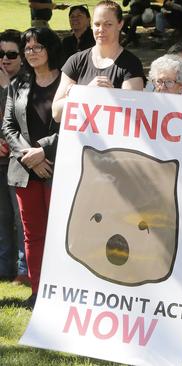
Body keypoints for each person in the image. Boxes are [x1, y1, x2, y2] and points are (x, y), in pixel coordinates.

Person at [1, 27, 62, 309]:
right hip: (25, 171)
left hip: (57, 168)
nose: (32, 52)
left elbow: (73, 126)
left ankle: (61, 291)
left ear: (50, 48)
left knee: (59, 234)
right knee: (32, 234)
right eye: (28, 48)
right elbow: (8, 126)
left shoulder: (66, 83)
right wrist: (29, 155)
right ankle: (38, 291)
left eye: (38, 47)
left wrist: (43, 151)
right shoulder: (18, 84)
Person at [52, 0, 145, 123]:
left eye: (108, 24)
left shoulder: (131, 64)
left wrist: (110, 95)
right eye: (97, 24)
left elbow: (132, 115)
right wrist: (86, 92)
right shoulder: (75, 61)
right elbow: (57, 114)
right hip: (79, 139)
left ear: (120, 24)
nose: (101, 29)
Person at [0, 30, 27, 285]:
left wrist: (7, 87)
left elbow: (23, 123)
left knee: (21, 219)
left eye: (11, 54)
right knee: (2, 217)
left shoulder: (28, 82)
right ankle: (3, 266)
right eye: (1, 54)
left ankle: (23, 268)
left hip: (20, 163)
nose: (4, 59)